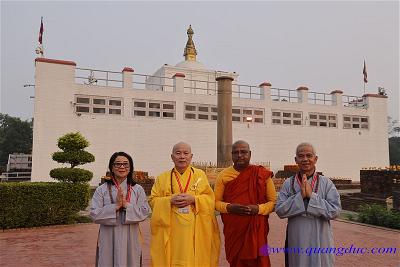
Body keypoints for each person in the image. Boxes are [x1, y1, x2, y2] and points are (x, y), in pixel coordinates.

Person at [149, 142, 220, 267]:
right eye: (178, 153)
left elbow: (210, 199)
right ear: (172, 157)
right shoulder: (162, 177)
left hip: (195, 230)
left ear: (191, 156)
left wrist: (194, 199)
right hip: (171, 230)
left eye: (186, 153)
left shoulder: (200, 175)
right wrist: (169, 200)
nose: (182, 156)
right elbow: (153, 200)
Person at [275, 143, 341, 267]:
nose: (305, 159)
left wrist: (312, 197)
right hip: (297, 238)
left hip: (321, 237)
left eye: (309, 155)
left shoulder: (326, 183)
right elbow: (279, 210)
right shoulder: (288, 184)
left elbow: (335, 210)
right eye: (301, 156)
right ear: (296, 160)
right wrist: (300, 196)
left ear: (315, 159)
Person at [214, 140, 276, 267]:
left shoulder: (261, 174)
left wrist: (257, 209)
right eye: (236, 152)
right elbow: (214, 202)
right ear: (231, 155)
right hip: (234, 230)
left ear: (250, 154)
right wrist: (229, 207)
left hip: (256, 228)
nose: (240, 155)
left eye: (243, 152)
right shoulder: (223, 175)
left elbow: (273, 203)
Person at [90, 151, 151, 267]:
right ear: (112, 168)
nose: (122, 167)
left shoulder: (137, 189)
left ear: (130, 168)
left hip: (131, 235)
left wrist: (126, 205)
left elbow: (144, 212)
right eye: (117, 164)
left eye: (125, 164)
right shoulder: (101, 189)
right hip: (108, 235)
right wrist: (115, 207)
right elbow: (94, 213)